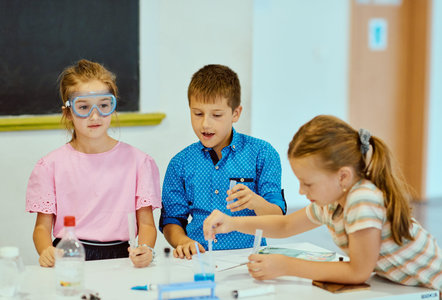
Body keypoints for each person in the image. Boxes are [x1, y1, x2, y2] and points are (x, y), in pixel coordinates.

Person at [204, 115, 442, 292]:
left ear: (343, 176)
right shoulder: (333, 201)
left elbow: (358, 271)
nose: (301, 191)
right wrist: (233, 222)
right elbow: (285, 225)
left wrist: (286, 266)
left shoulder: (362, 199)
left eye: (308, 184)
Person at [26, 59, 161, 268]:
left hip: (122, 257)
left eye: (104, 105)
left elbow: (146, 224)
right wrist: (46, 251)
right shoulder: (50, 166)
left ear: (113, 107)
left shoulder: (139, 162)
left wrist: (145, 249)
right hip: (70, 256)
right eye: (83, 107)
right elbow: (41, 229)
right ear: (68, 113)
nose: (94, 115)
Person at [160, 64, 286, 259]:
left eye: (216, 115)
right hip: (199, 259)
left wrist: (255, 202)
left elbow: (278, 218)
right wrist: (182, 241)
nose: (205, 124)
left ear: (236, 113)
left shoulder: (263, 153)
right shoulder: (180, 163)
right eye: (198, 113)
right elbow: (172, 220)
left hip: (250, 258)